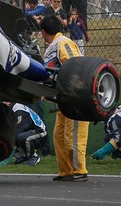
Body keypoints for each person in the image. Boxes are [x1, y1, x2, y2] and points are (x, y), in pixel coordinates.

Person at [40, 15, 89, 182]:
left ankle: (80, 170)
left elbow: (74, 65)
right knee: (59, 136)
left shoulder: (64, 43)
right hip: (62, 99)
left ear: (43, 32)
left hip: (76, 98)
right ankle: (66, 171)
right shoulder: (52, 47)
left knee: (72, 136)